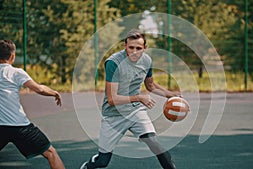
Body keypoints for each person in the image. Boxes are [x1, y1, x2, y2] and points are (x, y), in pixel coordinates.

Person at [80, 29, 180, 169]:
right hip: (113, 115)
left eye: (138, 48)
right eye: (131, 47)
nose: (134, 51)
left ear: (145, 48)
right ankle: (87, 166)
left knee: (154, 143)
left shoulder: (147, 61)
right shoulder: (113, 63)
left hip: (135, 111)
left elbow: (150, 85)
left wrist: (171, 95)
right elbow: (112, 99)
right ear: (124, 46)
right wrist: (138, 97)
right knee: (103, 161)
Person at [0, 39, 65, 169]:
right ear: (12, 56)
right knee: (51, 153)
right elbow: (39, 89)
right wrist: (54, 93)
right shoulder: (16, 72)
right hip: (20, 127)